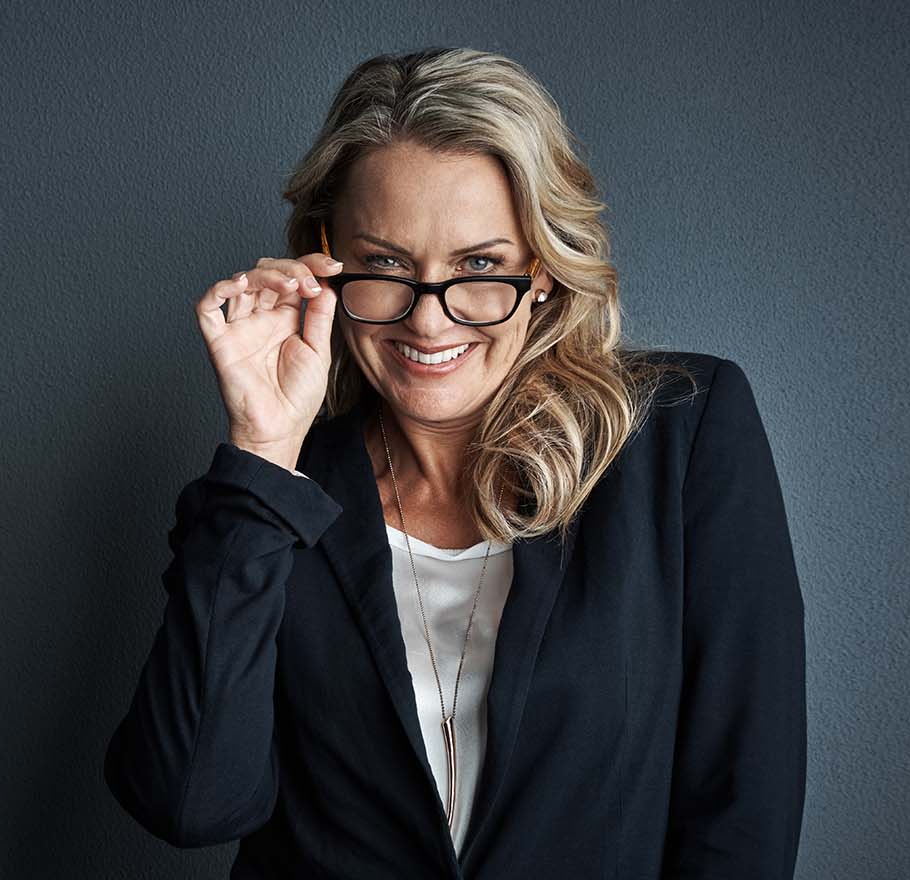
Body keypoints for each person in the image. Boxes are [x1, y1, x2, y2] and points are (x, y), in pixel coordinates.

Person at [102, 47, 806, 879]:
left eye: (477, 267)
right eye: (387, 266)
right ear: (326, 259)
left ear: (540, 268)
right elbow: (190, 805)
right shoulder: (277, 493)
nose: (429, 323)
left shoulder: (683, 436)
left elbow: (741, 810)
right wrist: (262, 448)